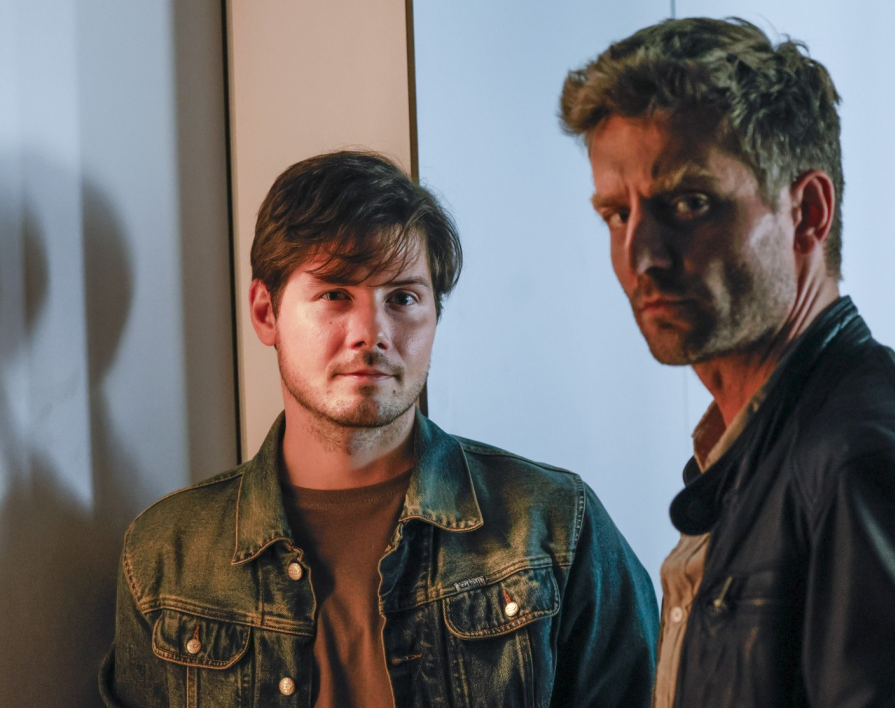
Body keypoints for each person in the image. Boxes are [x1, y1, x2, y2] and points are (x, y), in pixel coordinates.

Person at [560, 17, 895, 708]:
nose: (641, 254)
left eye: (689, 203)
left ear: (808, 212)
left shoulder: (862, 457)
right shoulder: (767, 446)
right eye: (617, 214)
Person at [98, 151, 658, 707]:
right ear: (266, 312)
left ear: (435, 314)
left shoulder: (555, 526)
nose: (372, 333)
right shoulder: (167, 556)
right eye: (335, 294)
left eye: (403, 298)